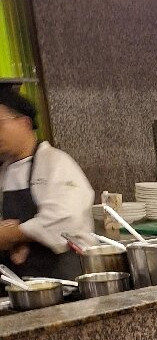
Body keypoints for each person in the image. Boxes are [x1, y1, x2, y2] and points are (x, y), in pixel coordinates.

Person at [0, 87, 93, 279]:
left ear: (24, 123)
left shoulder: (56, 162)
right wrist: (16, 242)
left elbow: (65, 218)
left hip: (64, 281)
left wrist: (14, 234)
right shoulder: (4, 171)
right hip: (19, 283)